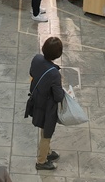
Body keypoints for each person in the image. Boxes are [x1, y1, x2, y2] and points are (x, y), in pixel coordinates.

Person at [25, 37, 65, 171]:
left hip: (36, 100)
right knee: (47, 134)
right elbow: (58, 96)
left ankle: (47, 152)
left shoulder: (36, 59)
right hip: (48, 108)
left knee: (44, 130)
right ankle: (41, 161)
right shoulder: (54, 74)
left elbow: (32, 73)